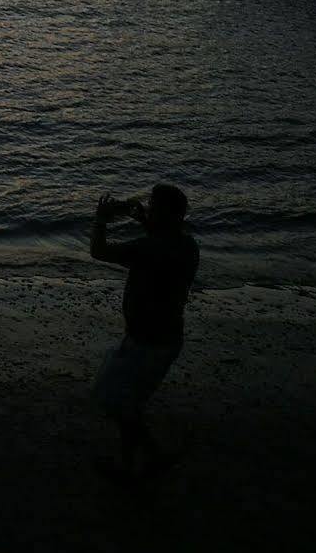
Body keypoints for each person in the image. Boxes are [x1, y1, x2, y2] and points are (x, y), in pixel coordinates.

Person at [90, 184, 198, 479]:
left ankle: (151, 455)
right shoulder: (187, 246)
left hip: (147, 343)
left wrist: (101, 219)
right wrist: (144, 221)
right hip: (162, 338)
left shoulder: (148, 249)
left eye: (153, 206)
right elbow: (164, 241)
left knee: (114, 399)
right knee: (128, 405)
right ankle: (132, 463)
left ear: (166, 214)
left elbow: (99, 251)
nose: (148, 210)